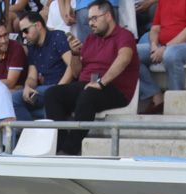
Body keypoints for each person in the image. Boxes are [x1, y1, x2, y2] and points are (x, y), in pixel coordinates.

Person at [43, 0, 139, 156]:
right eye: (89, 19)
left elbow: (123, 59)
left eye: (95, 18)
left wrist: (101, 82)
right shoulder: (89, 39)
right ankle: (59, 145)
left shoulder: (125, 35)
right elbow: (76, 72)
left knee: (88, 95)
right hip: (89, 85)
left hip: (115, 89)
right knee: (52, 94)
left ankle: (70, 149)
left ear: (108, 16)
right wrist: (74, 53)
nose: (91, 23)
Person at [135, 0, 186, 115]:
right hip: (164, 45)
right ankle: (156, 95)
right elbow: (155, 28)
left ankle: (175, 101)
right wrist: (154, 46)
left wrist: (165, 47)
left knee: (171, 54)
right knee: (131, 53)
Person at [13, 11, 73, 121]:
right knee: (14, 99)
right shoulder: (32, 47)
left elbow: (72, 66)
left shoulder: (58, 37)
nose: (24, 36)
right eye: (22, 32)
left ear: (38, 25)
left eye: (26, 31)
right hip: (44, 91)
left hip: (64, 87)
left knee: (50, 98)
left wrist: (57, 90)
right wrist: (28, 87)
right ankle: (30, 133)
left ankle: (49, 136)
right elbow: (32, 77)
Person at [0, 17, 27, 92]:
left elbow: (11, 82)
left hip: (15, 88)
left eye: (5, 35)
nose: (4, 41)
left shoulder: (16, 48)